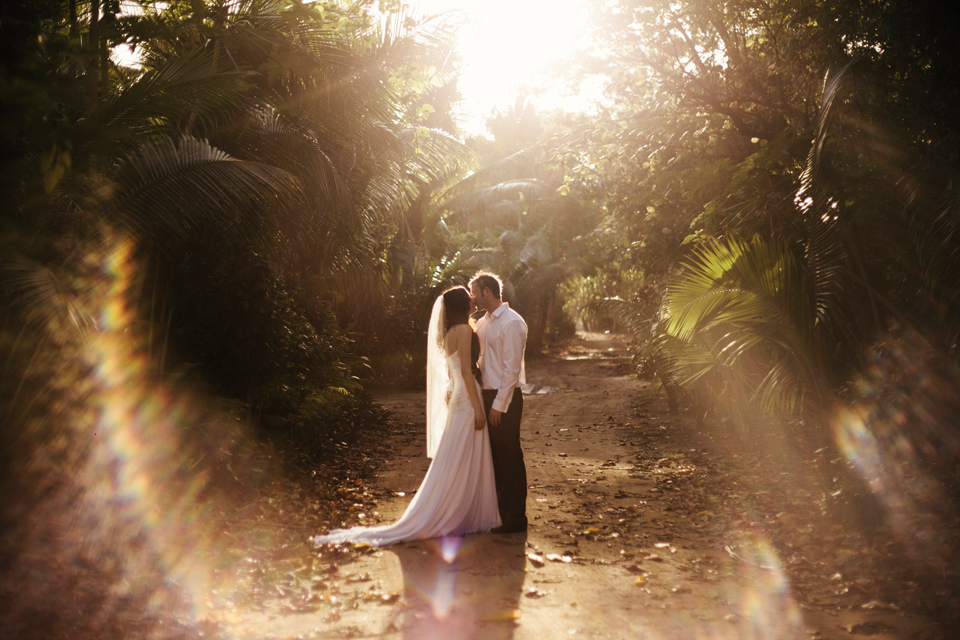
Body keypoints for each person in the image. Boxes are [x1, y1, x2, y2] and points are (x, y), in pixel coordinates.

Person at [312, 287, 500, 547]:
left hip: (458, 396)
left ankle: (457, 511)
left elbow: (455, 372)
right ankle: (458, 513)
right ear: (461, 305)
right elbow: (467, 374)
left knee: (456, 457)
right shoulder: (466, 330)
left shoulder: (448, 334)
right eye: (468, 298)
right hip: (468, 400)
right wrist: (478, 409)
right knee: (463, 456)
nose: (472, 299)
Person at [469, 272, 529, 534]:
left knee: (510, 455)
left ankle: (517, 517)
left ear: (487, 292)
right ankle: (501, 515)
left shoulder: (512, 322)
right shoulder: (482, 323)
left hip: (506, 397)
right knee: (494, 458)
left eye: (474, 292)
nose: (472, 297)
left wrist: (499, 405)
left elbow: (511, 369)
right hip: (487, 395)